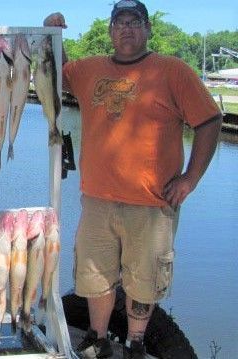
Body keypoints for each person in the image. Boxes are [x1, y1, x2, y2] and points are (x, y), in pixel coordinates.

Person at [44, 1, 222, 358]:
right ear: (111, 30)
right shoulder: (88, 69)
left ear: (147, 29)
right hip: (96, 199)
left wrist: (191, 178)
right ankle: (97, 338)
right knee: (94, 276)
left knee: (144, 280)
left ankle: (136, 343)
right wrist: (50, 33)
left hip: (153, 204)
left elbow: (209, 121)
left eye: (134, 21)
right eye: (119, 22)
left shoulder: (173, 71)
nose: (126, 28)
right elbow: (50, 72)